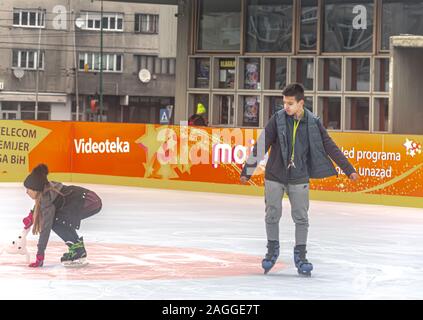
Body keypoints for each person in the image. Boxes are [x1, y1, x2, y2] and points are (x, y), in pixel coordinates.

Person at [240, 83, 359, 276]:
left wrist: (348, 169)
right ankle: (272, 251)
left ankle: (301, 255)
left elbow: (329, 145)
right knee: (272, 214)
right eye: (284, 103)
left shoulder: (312, 122)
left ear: (301, 103)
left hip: (299, 176)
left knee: (301, 218)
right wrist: (248, 170)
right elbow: (262, 144)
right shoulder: (277, 119)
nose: (285, 107)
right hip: (275, 175)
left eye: (290, 103)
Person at [22, 164, 102, 267]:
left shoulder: (47, 201)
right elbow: (41, 203)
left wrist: (40, 255)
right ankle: (77, 248)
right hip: (89, 198)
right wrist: (31, 216)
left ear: (36, 189)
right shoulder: (47, 189)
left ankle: (77, 249)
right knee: (59, 219)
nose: (26, 192)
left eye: (28, 189)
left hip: (89, 202)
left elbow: (45, 228)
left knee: (55, 222)